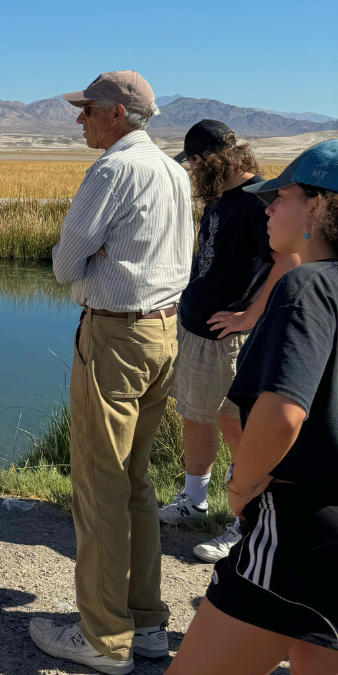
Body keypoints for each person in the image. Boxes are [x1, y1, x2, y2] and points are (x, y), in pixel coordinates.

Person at [29, 71, 194, 674]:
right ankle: (145, 622)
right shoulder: (173, 170)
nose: (81, 119)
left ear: (119, 114)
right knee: (134, 482)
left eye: (89, 109)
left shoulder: (112, 170)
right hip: (164, 333)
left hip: (118, 335)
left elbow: (67, 261)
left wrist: (93, 257)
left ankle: (103, 639)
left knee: (99, 486)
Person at [167, 139, 338, 675]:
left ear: (319, 206)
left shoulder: (306, 287)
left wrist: (240, 489)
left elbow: (282, 412)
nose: (268, 207)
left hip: (302, 531)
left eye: (281, 196)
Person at [158, 119, 299, 563]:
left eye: (194, 163)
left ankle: (246, 523)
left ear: (208, 160)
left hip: (228, 339)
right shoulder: (221, 197)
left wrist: (249, 315)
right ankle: (194, 500)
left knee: (239, 427)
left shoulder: (259, 200)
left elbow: (290, 258)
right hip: (198, 329)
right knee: (197, 416)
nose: (193, 172)